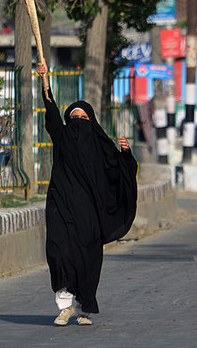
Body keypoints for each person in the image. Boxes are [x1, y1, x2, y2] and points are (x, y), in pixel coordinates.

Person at [36, 61, 138, 326]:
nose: (79, 122)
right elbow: (51, 111)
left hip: (89, 211)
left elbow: (119, 174)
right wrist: (45, 80)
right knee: (58, 252)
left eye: (84, 118)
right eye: (74, 118)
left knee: (86, 257)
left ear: (92, 123)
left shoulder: (101, 147)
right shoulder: (62, 137)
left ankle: (84, 308)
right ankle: (65, 305)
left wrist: (125, 154)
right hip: (60, 205)